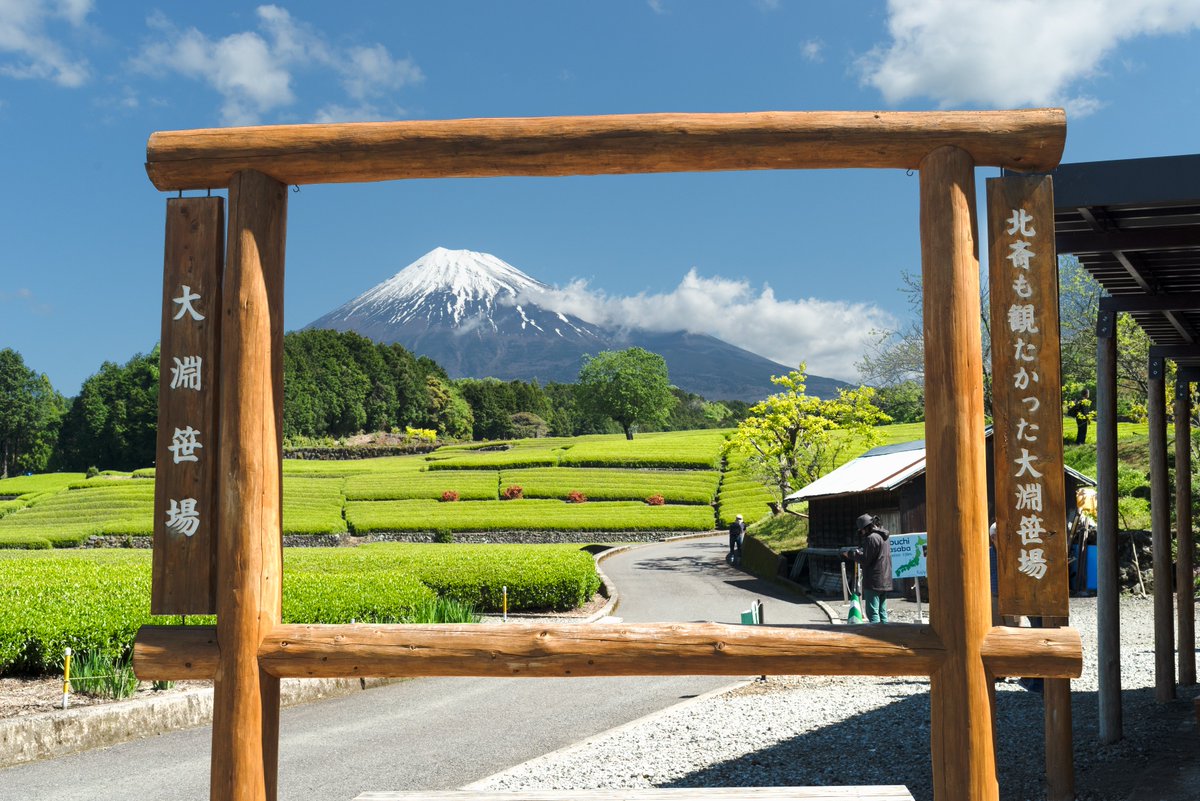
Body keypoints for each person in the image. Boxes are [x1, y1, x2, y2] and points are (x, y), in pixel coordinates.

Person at [848, 512, 892, 623]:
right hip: (885, 578)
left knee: (872, 613)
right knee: (882, 612)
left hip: (874, 580)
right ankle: (888, 636)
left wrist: (851, 554)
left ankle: (877, 637)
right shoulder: (884, 537)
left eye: (862, 530)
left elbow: (865, 559)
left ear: (866, 528)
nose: (862, 533)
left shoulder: (871, 538)